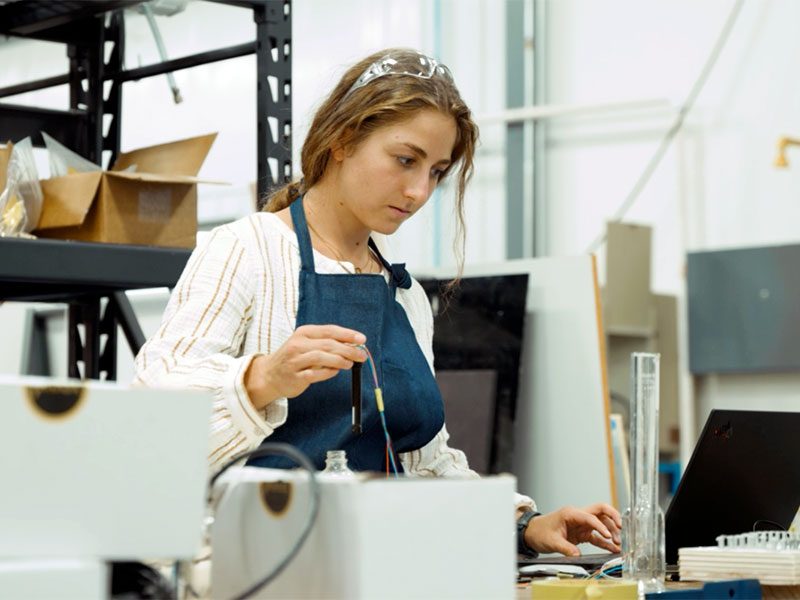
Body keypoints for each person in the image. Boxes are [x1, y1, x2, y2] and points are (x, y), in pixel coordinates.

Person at [134, 47, 621, 558]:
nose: (418, 191)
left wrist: (524, 524)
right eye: (405, 160)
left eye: (436, 171)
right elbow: (152, 408)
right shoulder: (245, 250)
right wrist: (261, 378)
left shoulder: (403, 294)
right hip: (254, 567)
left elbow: (425, 462)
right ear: (343, 139)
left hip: (379, 563)